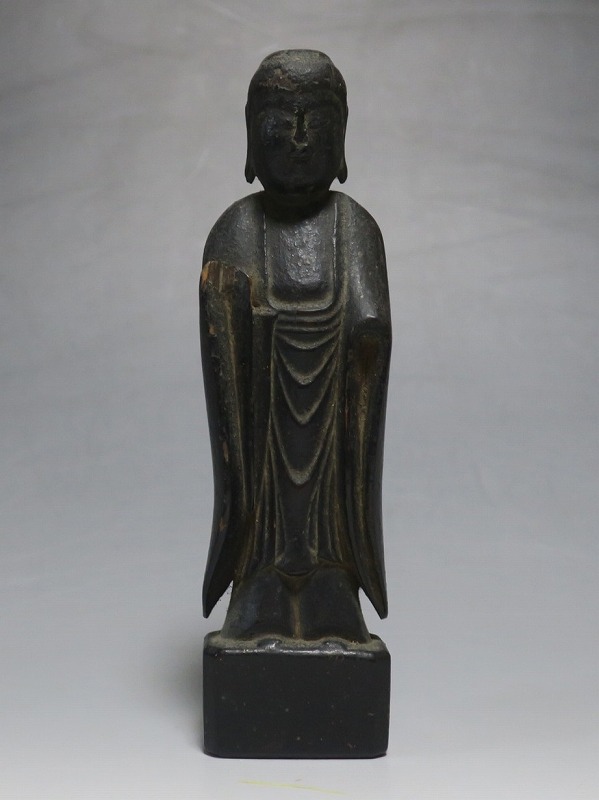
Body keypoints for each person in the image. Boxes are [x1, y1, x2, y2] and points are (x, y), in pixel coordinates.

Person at [200, 50, 391, 642]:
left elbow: (372, 321)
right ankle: (258, 613)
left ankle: (334, 615)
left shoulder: (354, 227)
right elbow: (220, 322)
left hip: (333, 417)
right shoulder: (237, 226)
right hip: (263, 419)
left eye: (317, 119)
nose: (300, 137)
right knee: (263, 528)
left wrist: (367, 337)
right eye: (281, 120)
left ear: (343, 135)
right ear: (250, 135)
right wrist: (235, 313)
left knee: (331, 529)